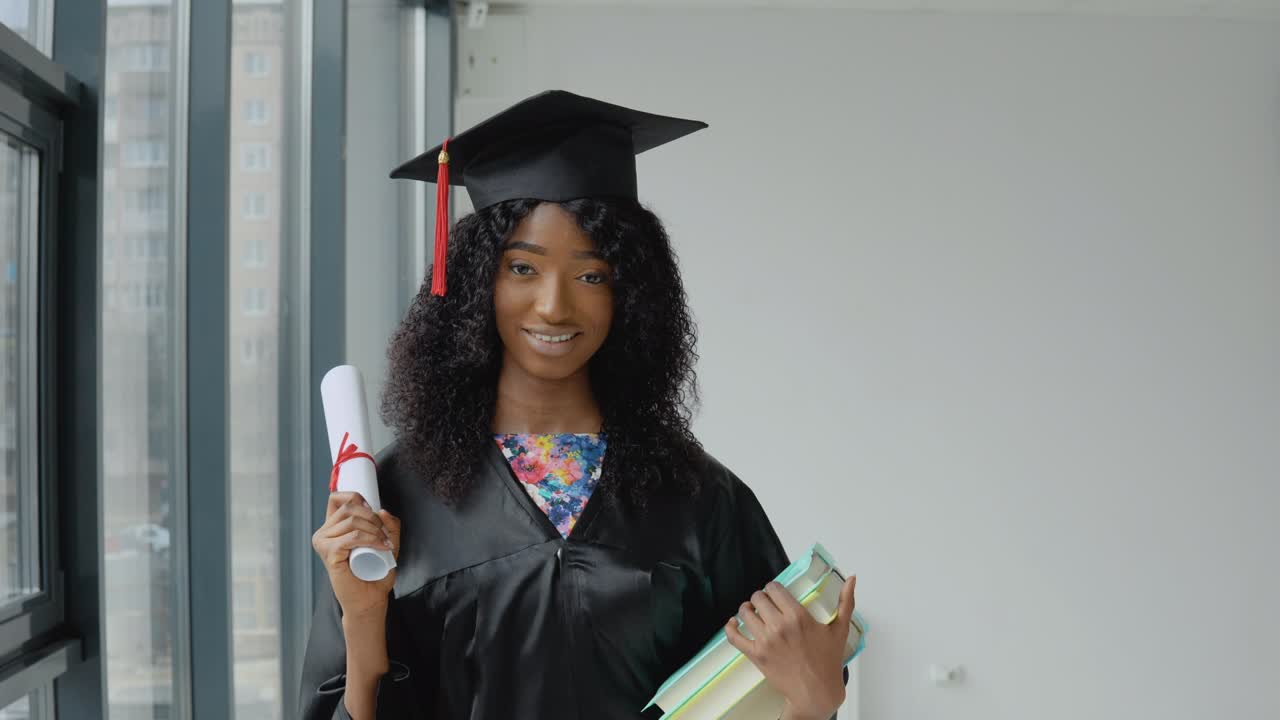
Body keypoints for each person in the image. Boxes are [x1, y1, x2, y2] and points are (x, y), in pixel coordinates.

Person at [299, 90, 858, 720]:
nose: (555, 306)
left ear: (632, 293)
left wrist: (813, 702)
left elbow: (751, 703)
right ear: (476, 281)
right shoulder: (395, 496)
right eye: (522, 269)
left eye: (591, 275)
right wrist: (366, 613)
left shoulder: (701, 499)